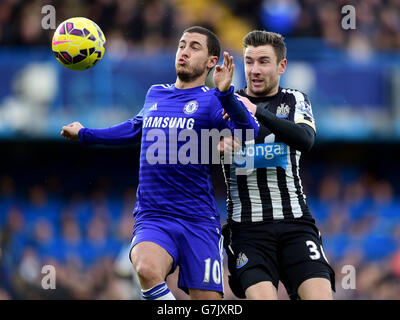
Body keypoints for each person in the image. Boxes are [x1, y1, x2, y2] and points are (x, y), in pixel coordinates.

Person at [60, 26, 259, 300]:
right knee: (145, 266)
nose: (184, 52)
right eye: (181, 45)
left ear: (212, 61)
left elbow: (249, 130)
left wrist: (225, 94)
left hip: (197, 220)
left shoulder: (214, 100)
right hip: (154, 215)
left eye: (194, 47)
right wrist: (85, 133)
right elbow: (132, 129)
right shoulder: (156, 93)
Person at [219, 30, 335, 300]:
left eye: (263, 62)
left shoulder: (294, 100)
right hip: (247, 231)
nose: (254, 70)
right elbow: (192, 153)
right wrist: (213, 148)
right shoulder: (225, 106)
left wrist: (256, 111)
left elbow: (305, 139)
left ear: (281, 66)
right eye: (249, 62)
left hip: (295, 223)